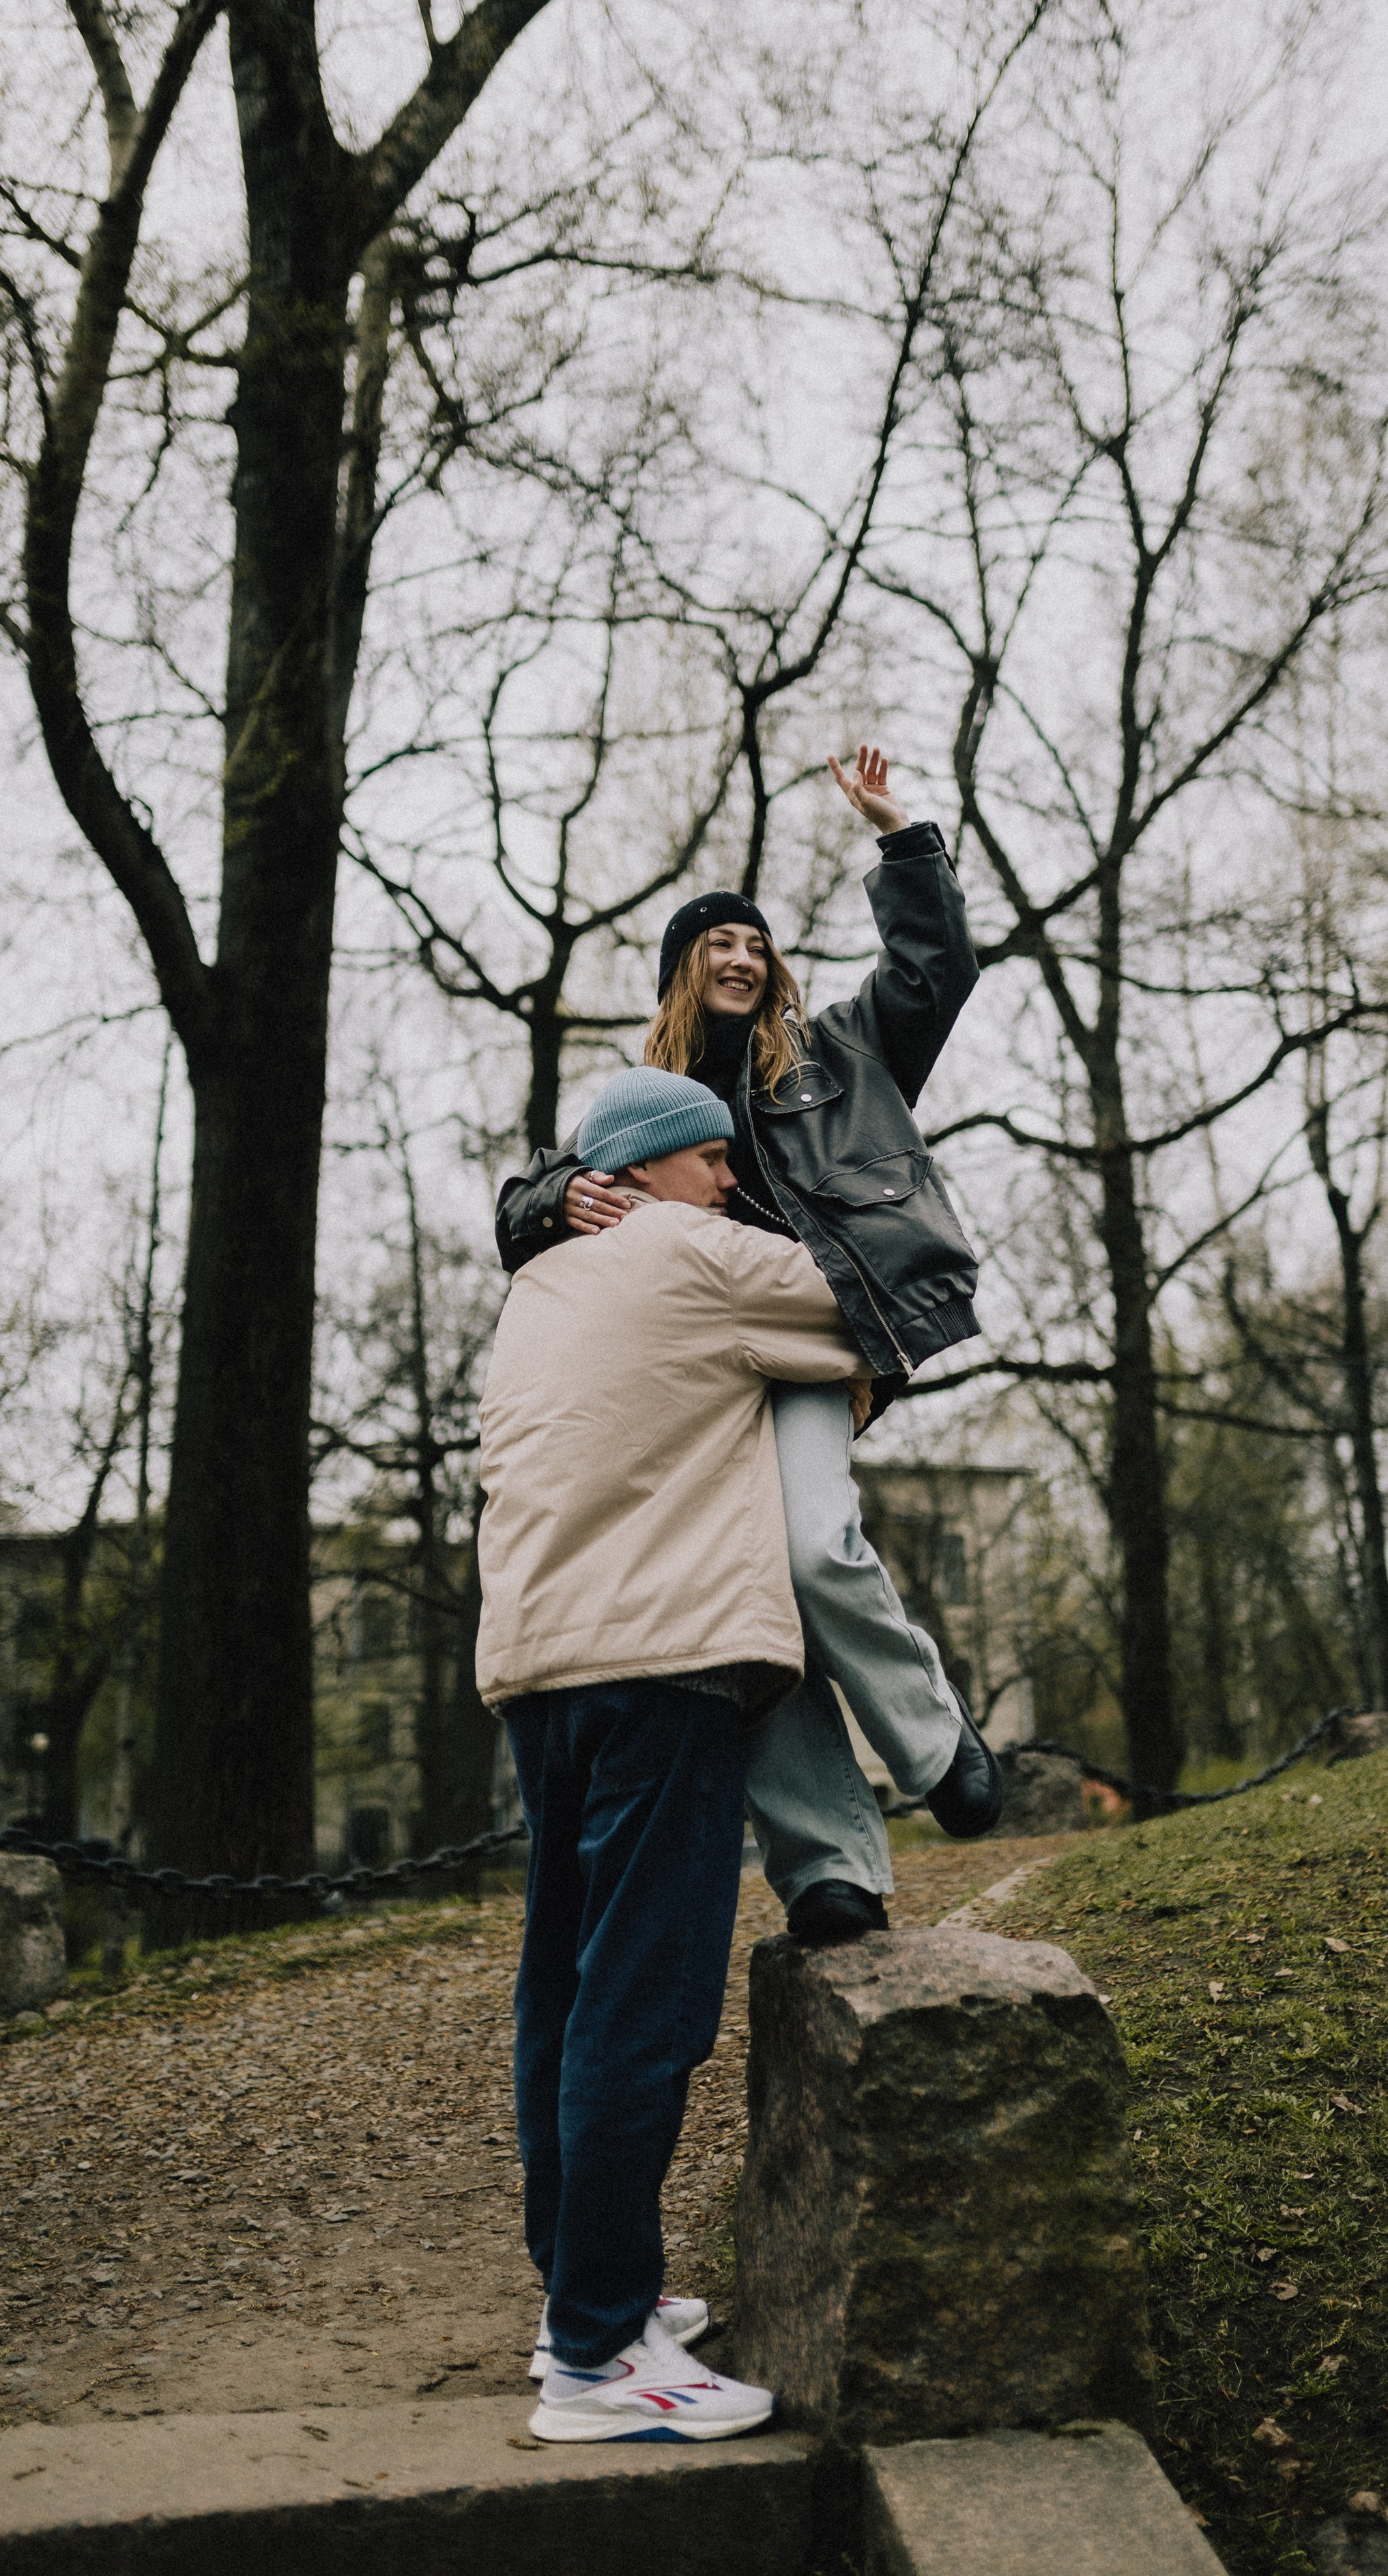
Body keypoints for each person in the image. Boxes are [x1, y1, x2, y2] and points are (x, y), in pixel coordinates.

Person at [495, 744, 1000, 1947]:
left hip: (811, 1339)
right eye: (714, 943)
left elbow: (938, 972)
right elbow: (534, 1201)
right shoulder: (640, 1097)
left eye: (755, 942)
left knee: (814, 1549)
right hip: (690, 1374)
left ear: (772, 969)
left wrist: (901, 838)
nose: (739, 954)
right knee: (742, 1606)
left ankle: (934, 1742)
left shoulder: (843, 1053)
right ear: (683, 971)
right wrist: (547, 1203)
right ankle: (829, 1867)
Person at [476, 1062, 875, 2442]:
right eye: (712, 1158)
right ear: (655, 1167)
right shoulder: (698, 1251)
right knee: (641, 2012)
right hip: (663, 1662)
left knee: (564, 1991)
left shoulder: (537, 1281)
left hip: (540, 1666)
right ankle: (596, 2365)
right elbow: (866, 1307)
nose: (729, 1179)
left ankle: (576, 2303)